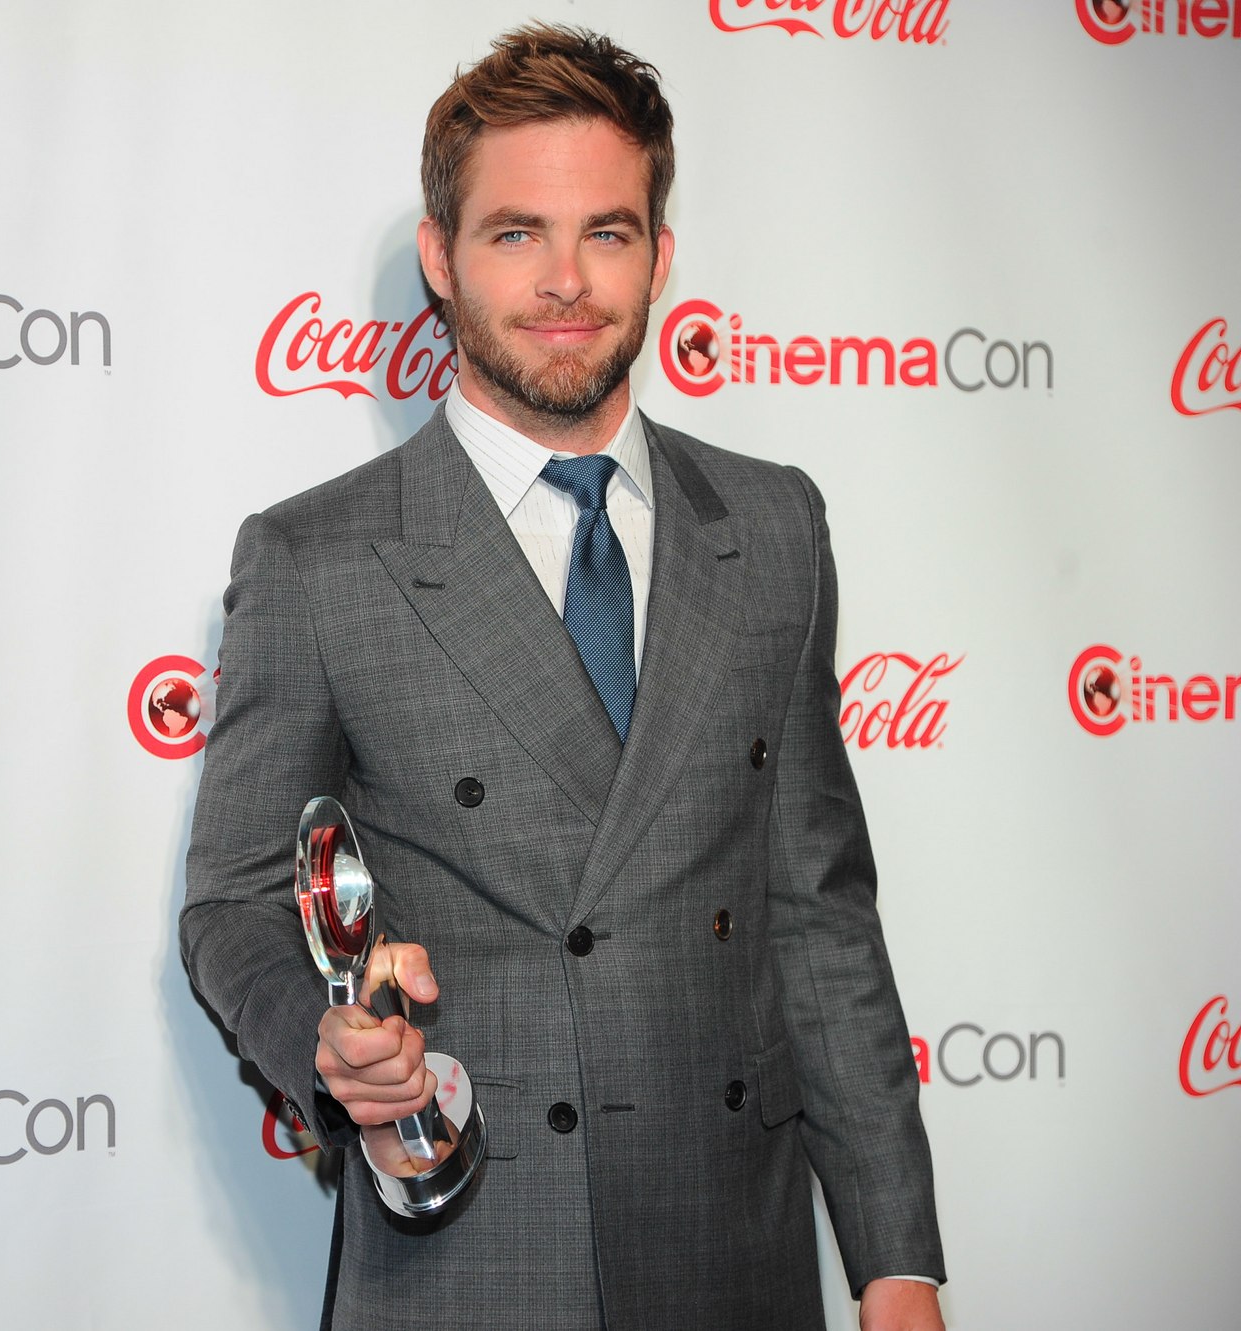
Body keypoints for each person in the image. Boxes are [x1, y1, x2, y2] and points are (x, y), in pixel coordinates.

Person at [179, 23, 945, 1331]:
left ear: (661, 256)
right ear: (442, 256)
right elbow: (237, 899)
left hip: (733, 1257)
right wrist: (327, 1040)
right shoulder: (319, 556)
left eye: (608, 232)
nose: (567, 281)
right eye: (516, 232)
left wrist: (896, 1263)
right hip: (475, 1255)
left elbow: (819, 918)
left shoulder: (772, 527)